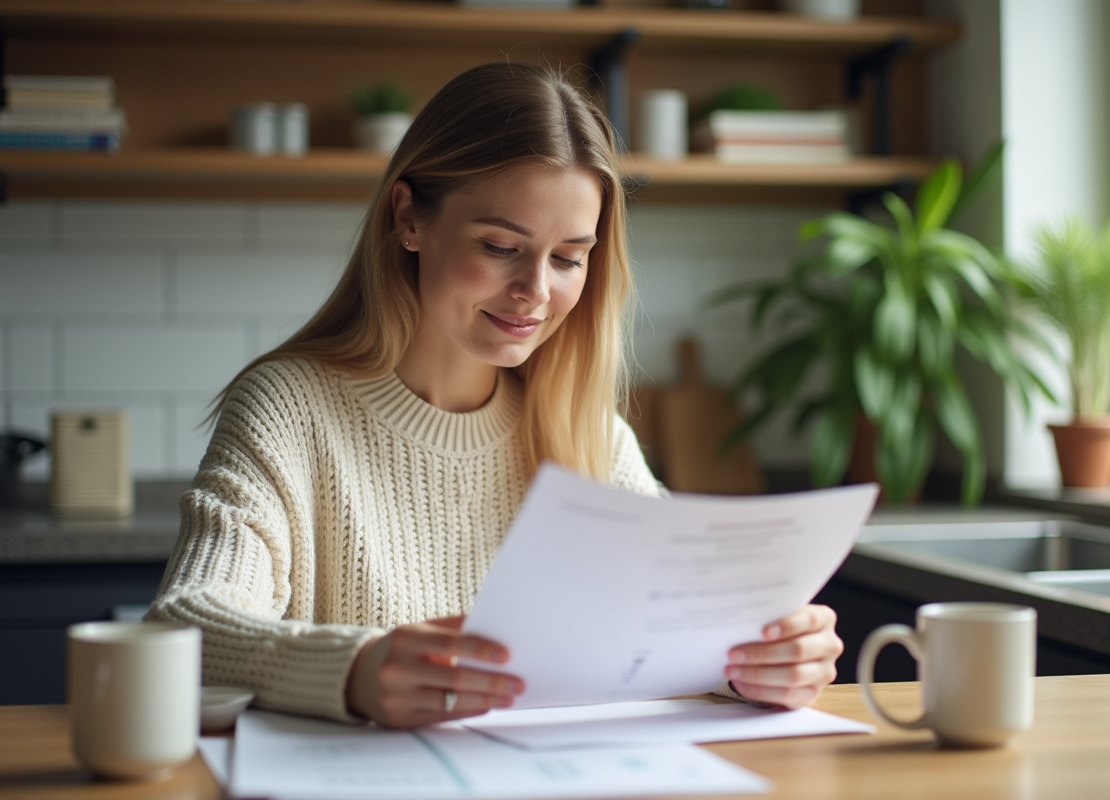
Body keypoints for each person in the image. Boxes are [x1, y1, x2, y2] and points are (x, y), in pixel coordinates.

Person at [148, 62, 843, 729]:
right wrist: (354, 670)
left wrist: (758, 660)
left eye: (570, 257)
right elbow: (184, 621)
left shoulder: (588, 433)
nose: (536, 292)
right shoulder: (288, 409)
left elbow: (678, 626)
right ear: (409, 219)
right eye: (500, 246)